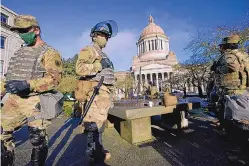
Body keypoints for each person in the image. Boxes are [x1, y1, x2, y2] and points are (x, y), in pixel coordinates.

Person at [1, 15, 63, 166]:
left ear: (36, 30)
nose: (21, 34)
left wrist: (28, 84)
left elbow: (54, 79)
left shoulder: (49, 52)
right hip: (13, 100)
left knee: (37, 139)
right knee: (2, 133)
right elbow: (9, 78)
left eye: (24, 30)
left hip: (36, 100)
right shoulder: (20, 52)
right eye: (19, 31)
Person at [74, 20, 118, 165]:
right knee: (93, 128)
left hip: (104, 95)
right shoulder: (89, 50)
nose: (106, 38)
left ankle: (97, 152)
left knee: (99, 127)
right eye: (103, 35)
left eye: (107, 36)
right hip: (95, 93)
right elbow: (79, 69)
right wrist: (96, 66)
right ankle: (93, 157)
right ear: (94, 36)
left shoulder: (103, 54)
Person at [211, 34, 249, 164]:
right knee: (241, 121)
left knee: (236, 124)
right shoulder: (244, 56)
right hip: (243, 92)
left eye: (222, 46)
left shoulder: (226, 57)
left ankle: (236, 153)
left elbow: (219, 74)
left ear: (226, 45)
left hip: (233, 94)